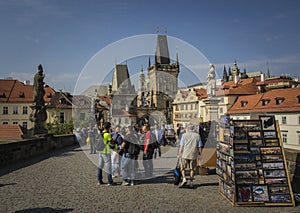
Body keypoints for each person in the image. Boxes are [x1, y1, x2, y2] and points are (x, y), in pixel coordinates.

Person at [177, 124, 203, 188]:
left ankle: (184, 179)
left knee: (182, 168)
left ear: (188, 128)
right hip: (193, 154)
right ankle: (191, 182)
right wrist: (200, 154)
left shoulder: (184, 135)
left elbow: (182, 146)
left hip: (185, 154)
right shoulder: (197, 136)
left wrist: (179, 153)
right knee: (192, 169)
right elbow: (200, 146)